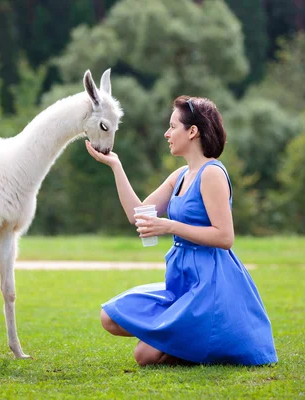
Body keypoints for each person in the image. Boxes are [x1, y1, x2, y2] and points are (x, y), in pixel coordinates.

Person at [85, 96, 278, 367]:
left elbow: (225, 237)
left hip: (210, 285)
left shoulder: (211, 174)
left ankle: (204, 341)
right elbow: (137, 214)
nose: (167, 133)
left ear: (192, 131)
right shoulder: (180, 176)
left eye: (172, 126)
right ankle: (193, 344)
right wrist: (116, 166)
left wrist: (169, 226)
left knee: (145, 356)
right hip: (181, 282)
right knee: (110, 318)